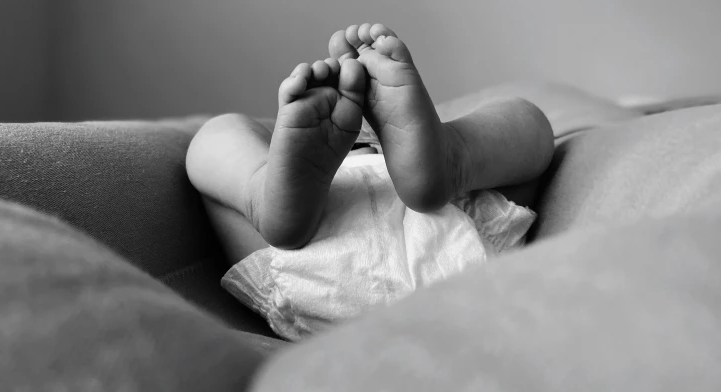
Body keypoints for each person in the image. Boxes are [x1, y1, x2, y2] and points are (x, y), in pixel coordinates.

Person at [186, 23, 555, 339]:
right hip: (460, 240)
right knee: (527, 121)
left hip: (310, 273)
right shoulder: (415, 160)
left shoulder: (304, 168)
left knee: (216, 137)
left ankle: (260, 191)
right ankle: (456, 154)